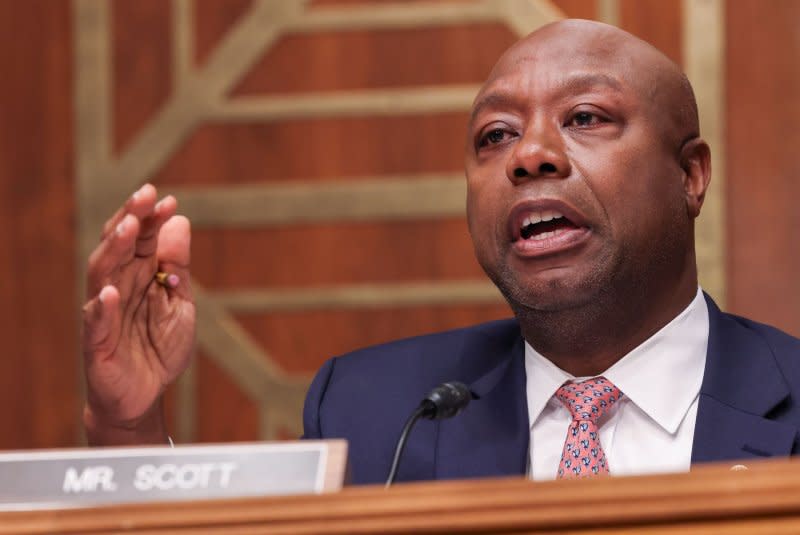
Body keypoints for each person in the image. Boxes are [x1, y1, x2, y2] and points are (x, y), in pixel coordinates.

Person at [82, 20, 800, 485]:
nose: (531, 156)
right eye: (496, 135)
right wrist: (130, 426)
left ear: (690, 175)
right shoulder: (374, 414)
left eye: (585, 118)